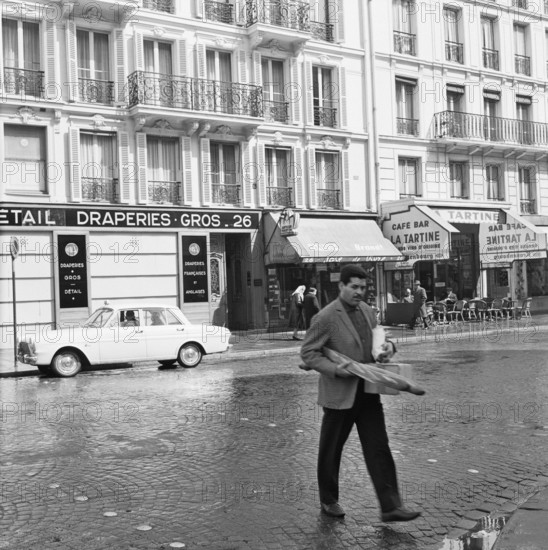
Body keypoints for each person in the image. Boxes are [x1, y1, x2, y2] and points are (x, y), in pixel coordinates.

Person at [300, 264, 421, 523]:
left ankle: (391, 507)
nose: (359, 292)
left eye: (363, 287)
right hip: (339, 395)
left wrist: (387, 349)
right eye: (353, 287)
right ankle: (328, 499)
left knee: (379, 448)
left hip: (368, 391)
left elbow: (380, 343)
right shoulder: (325, 317)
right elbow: (309, 353)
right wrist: (335, 370)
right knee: (331, 451)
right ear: (341, 286)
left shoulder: (368, 311)